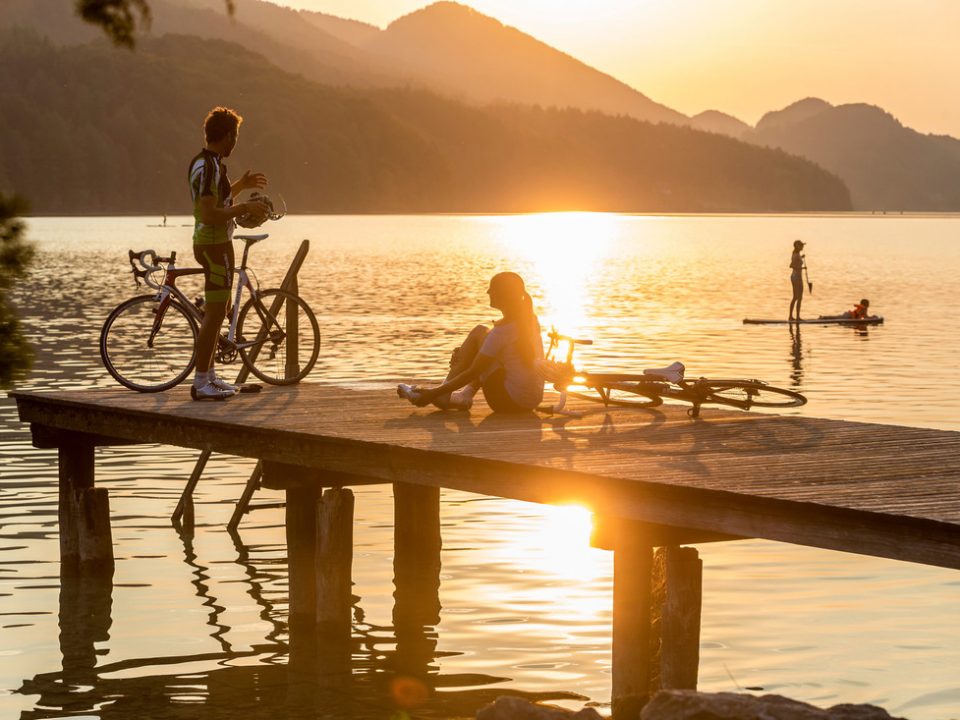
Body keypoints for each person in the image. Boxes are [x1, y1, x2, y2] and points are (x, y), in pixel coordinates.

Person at [188, 106, 268, 400]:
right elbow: (209, 214)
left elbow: (215, 200)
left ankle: (209, 376)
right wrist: (244, 207)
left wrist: (240, 187)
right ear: (227, 136)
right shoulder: (209, 167)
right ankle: (200, 383)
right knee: (213, 315)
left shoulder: (207, 162)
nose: (236, 142)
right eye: (235, 136)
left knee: (219, 311)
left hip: (214, 243)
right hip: (213, 244)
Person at [397, 272, 544, 413]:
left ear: (503, 295)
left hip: (505, 403)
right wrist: (468, 356)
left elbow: (473, 372)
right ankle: (464, 395)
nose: (487, 292)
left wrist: (432, 393)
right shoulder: (530, 319)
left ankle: (444, 394)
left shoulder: (501, 332)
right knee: (483, 339)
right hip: (532, 400)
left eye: (492, 288)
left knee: (479, 335)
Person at [789, 239, 805, 321]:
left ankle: (793, 317)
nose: (802, 246)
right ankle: (795, 317)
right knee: (797, 297)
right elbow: (791, 265)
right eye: (801, 245)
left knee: (797, 297)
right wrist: (802, 267)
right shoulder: (795, 254)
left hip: (796, 277)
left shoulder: (796, 254)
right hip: (796, 277)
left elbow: (796, 261)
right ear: (797, 246)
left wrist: (801, 258)